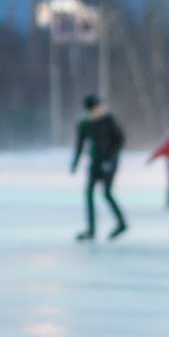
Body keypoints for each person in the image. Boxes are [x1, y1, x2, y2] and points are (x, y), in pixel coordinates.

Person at [70, 95, 128, 240]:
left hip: (109, 162)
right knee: (89, 194)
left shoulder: (109, 121)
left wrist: (110, 160)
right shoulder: (85, 124)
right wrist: (75, 162)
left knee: (107, 193)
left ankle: (121, 223)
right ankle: (91, 230)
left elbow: (120, 141)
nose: (99, 110)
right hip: (95, 162)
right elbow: (80, 144)